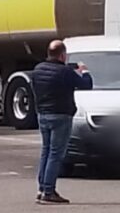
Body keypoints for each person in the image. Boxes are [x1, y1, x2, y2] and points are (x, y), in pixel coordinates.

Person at [31, 40, 93, 204]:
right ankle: (49, 191)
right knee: (56, 153)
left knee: (46, 151)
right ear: (62, 55)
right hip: (61, 115)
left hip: (43, 114)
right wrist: (84, 71)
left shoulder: (37, 70)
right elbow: (86, 85)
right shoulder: (65, 72)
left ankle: (41, 188)